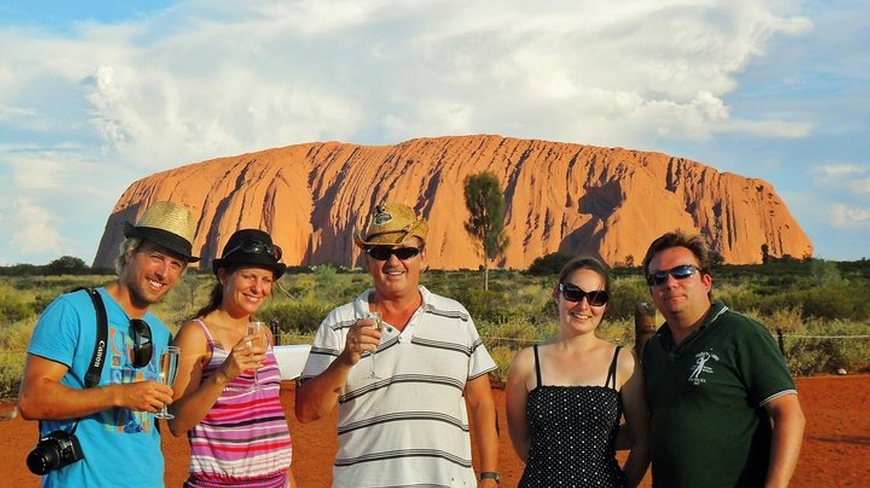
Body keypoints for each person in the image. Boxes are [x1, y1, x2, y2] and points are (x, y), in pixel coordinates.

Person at [295, 202, 500, 487]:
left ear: (423, 257)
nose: (394, 262)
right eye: (381, 253)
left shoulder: (457, 317)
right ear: (366, 260)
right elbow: (306, 411)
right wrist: (345, 359)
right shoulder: (339, 323)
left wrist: (490, 476)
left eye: (406, 251)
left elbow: (482, 404)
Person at [18, 200, 200, 487]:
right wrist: (119, 395)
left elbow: (176, 417)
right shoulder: (73, 311)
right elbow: (31, 401)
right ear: (130, 252)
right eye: (156, 256)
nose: (164, 273)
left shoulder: (161, 333)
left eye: (175, 264)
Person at [641, 230, 805, 488]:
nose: (670, 283)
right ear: (652, 291)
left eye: (682, 272)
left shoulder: (742, 333)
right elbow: (650, 426)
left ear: (706, 281)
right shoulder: (654, 349)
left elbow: (788, 414)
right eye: (658, 278)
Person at [505, 256, 650, 487]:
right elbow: (522, 441)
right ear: (557, 294)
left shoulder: (622, 361)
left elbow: (641, 438)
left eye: (596, 297)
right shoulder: (527, 362)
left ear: (606, 305)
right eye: (573, 293)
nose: (584, 306)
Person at [168, 229, 296, 488]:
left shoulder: (263, 334)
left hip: (276, 481)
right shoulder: (196, 334)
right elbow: (177, 422)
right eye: (249, 276)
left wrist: (289, 481)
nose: (258, 288)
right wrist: (223, 375)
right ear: (224, 276)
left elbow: (267, 417)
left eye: (266, 280)